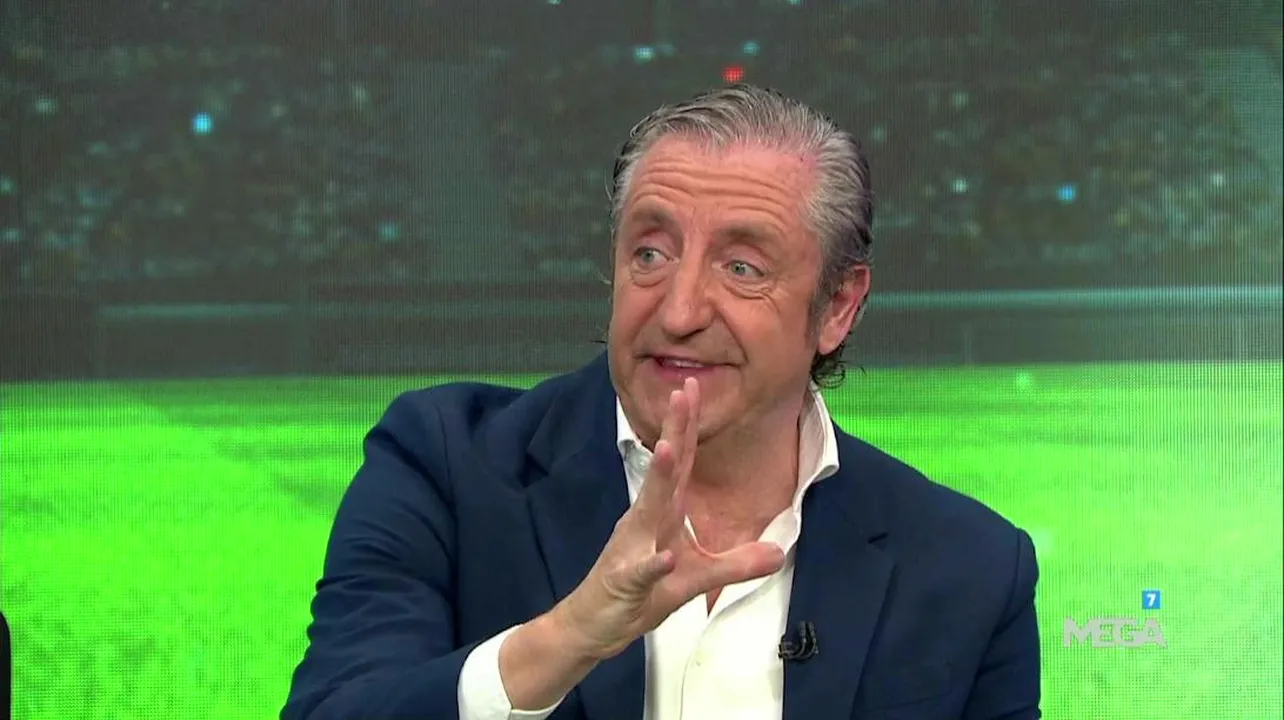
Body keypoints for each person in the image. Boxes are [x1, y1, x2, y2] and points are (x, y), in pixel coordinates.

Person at [282, 84, 1041, 720]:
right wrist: (566, 638)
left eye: (742, 268)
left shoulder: (970, 569)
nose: (678, 311)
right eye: (650, 253)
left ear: (838, 306)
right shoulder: (443, 467)